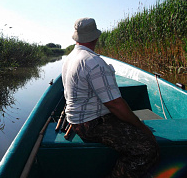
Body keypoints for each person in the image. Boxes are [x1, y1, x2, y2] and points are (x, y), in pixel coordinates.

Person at [62, 17, 159, 178]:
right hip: (91, 125)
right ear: (96, 37)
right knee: (147, 148)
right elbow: (115, 104)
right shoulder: (94, 62)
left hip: (77, 121)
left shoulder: (70, 58)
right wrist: (143, 128)